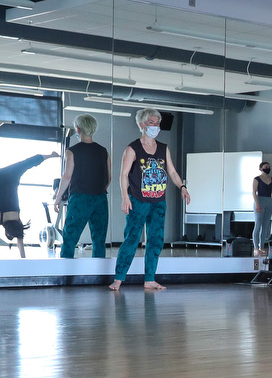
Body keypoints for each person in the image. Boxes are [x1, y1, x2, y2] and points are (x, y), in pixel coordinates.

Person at [110, 109, 190, 291]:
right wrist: (124, 197)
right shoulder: (132, 148)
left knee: (155, 240)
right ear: (142, 125)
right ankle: (118, 279)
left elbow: (172, 172)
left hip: (158, 202)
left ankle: (150, 279)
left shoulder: (163, 148)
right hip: (138, 200)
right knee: (131, 238)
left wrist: (182, 187)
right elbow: (123, 175)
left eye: (157, 123)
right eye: (152, 122)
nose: (156, 126)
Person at [54, 114, 110, 258]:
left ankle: (65, 272)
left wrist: (58, 197)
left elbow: (67, 176)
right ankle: (99, 274)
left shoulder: (72, 151)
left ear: (78, 129)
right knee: (99, 238)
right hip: (100, 199)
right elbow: (108, 178)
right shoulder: (103, 151)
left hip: (80, 199)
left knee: (70, 237)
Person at [0, 151, 60, 258]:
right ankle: (51, 155)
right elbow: (21, 245)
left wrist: (24, 258)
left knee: (27, 163)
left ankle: (51, 155)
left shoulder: (17, 220)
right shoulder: (2, 219)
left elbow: (20, 245)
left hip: (11, 177)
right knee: (27, 163)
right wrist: (23, 258)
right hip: (7, 176)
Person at [252, 161, 272, 256]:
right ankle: (256, 247)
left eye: (269, 167)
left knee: (265, 225)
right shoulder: (257, 179)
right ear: (261, 168)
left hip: (268, 201)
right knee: (258, 224)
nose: (268, 168)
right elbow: (254, 192)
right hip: (260, 201)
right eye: (266, 166)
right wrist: (257, 203)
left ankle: (262, 247)